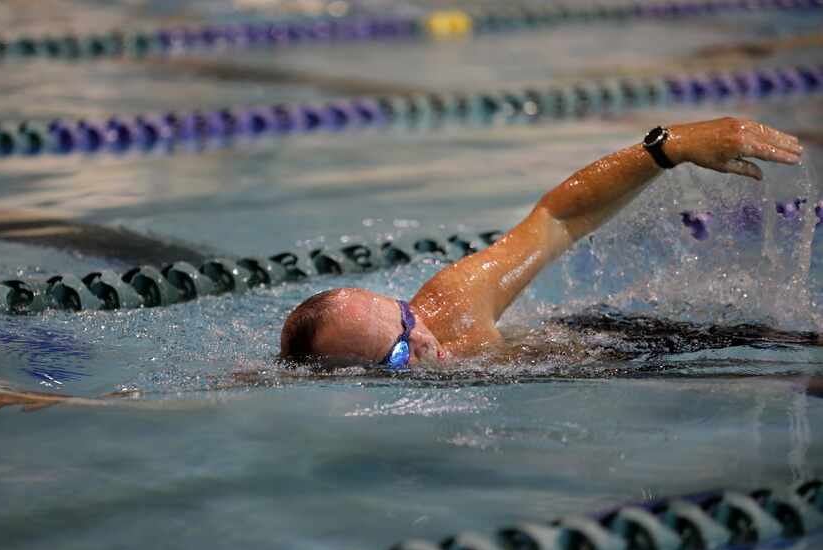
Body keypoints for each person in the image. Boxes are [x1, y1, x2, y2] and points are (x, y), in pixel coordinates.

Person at [279, 117, 803, 370]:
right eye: (396, 355)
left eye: (405, 321)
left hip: (617, 341)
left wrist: (672, 146)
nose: (420, 339)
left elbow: (556, 216)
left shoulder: (452, 308)